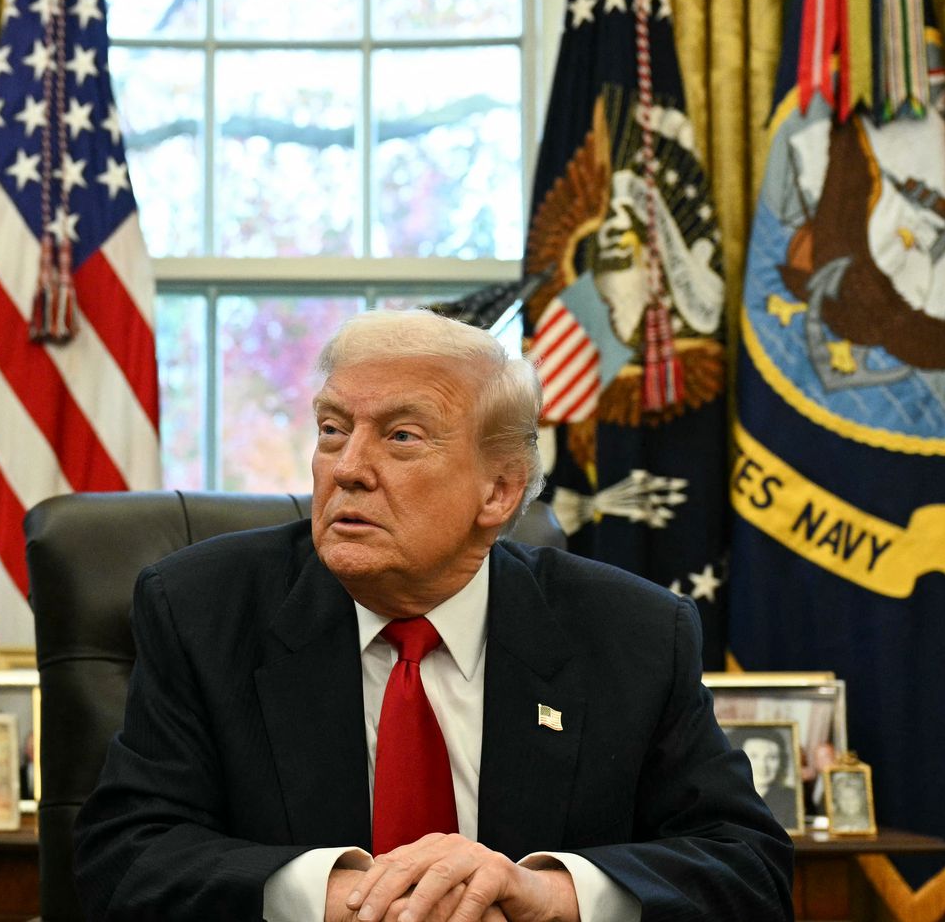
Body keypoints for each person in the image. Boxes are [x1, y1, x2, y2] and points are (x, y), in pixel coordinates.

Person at [73, 309, 793, 922]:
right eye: (332, 429)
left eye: (401, 437)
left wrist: (546, 892)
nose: (347, 467)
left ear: (499, 493)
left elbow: (747, 866)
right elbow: (125, 857)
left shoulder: (630, 632)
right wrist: (340, 894)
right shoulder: (201, 609)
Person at [739, 733, 801, 830]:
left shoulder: (792, 798)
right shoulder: (723, 797)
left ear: (781, 762)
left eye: (772, 757)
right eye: (754, 756)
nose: (763, 766)